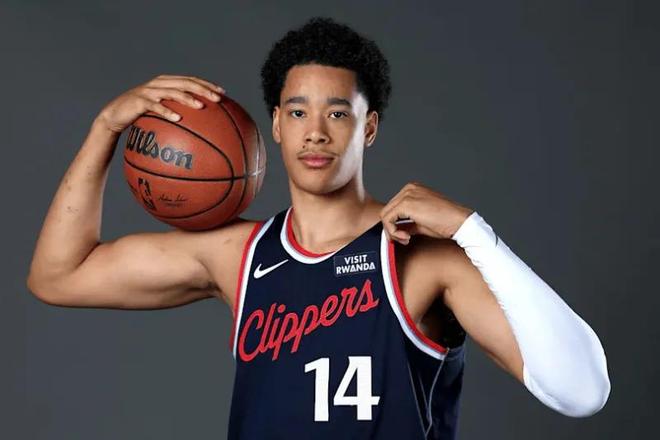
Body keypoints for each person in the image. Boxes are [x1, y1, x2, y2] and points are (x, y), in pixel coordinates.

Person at [27, 17, 610, 440]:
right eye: (298, 111)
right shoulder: (239, 254)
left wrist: (472, 231)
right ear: (276, 125)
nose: (316, 132)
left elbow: (582, 392)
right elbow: (58, 275)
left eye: (337, 113)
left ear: (368, 128)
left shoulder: (423, 258)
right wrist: (106, 128)